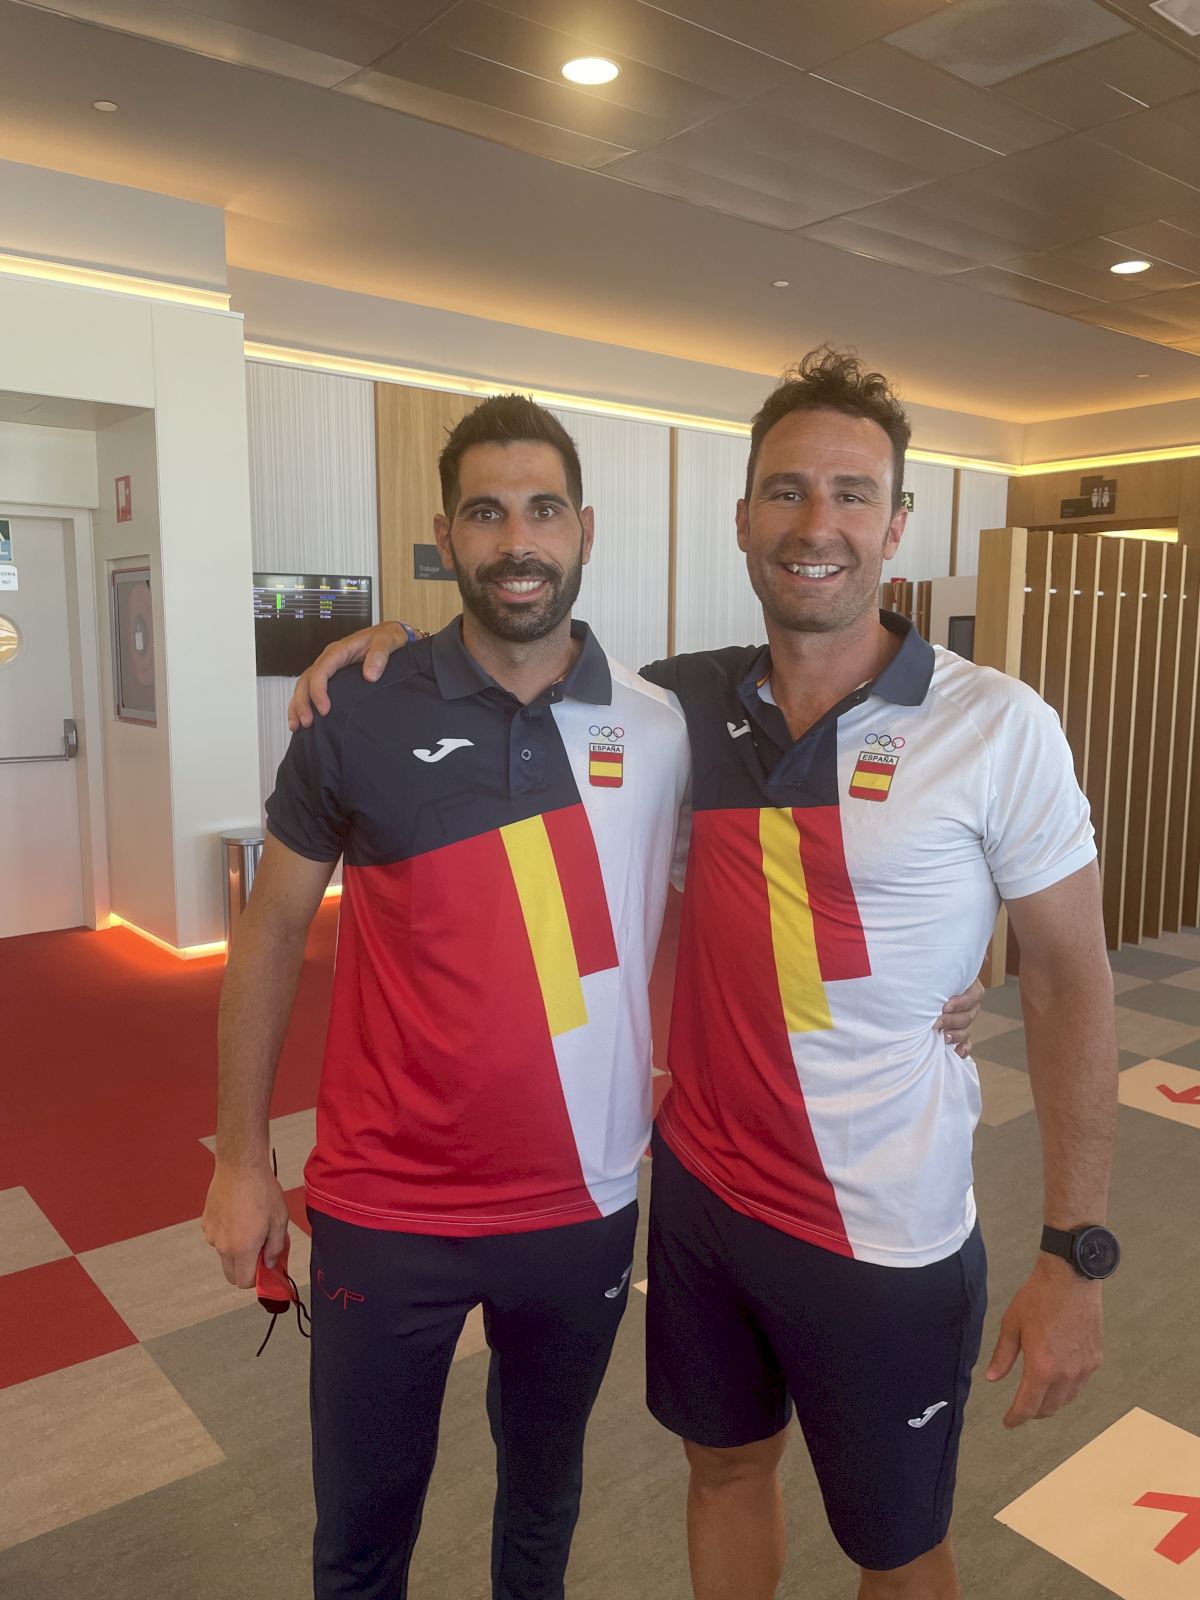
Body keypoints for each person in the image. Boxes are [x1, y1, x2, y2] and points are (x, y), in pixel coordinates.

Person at [291, 350, 1118, 1600]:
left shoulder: (997, 725)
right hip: (705, 1208)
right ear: (743, 518)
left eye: (852, 493)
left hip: (883, 1228)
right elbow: (526, 665)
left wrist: (1074, 1249)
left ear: (897, 522)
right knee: (724, 1476)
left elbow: (1072, 980)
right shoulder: (682, 709)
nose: (816, 523)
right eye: (787, 491)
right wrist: (390, 646)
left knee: (899, 1546)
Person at [202, 394, 694, 1600]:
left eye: (543, 510)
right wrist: (242, 1158)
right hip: (387, 1204)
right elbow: (270, 930)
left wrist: (940, 976)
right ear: (444, 536)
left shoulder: (661, 726)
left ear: (585, 529)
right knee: (362, 1532)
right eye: (486, 513)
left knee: (543, 1502)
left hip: (582, 1195)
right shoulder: (358, 707)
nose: (517, 540)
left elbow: (750, 884)